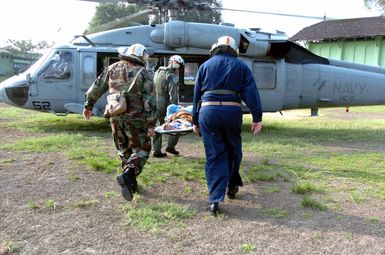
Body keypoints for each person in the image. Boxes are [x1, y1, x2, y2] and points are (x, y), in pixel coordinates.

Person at [192, 36, 263, 216]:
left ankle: (215, 199)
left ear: (216, 48)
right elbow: (252, 93)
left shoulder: (205, 66)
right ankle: (232, 185)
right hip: (232, 112)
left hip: (208, 113)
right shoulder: (241, 67)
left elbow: (196, 96)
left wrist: (194, 120)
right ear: (233, 50)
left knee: (214, 155)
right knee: (233, 151)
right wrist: (257, 117)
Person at [83, 44, 157, 201]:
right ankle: (128, 174)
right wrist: (151, 124)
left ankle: (131, 184)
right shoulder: (144, 73)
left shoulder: (112, 68)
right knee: (142, 149)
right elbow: (149, 100)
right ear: (142, 56)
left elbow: (96, 87)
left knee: (123, 149)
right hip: (136, 118)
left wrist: (88, 105)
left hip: (115, 115)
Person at [152, 55, 185, 157]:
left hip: (154, 103)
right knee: (176, 124)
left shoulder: (157, 73)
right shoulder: (171, 76)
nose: (179, 68)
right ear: (175, 63)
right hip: (165, 105)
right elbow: (173, 95)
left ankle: (156, 151)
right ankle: (170, 146)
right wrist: (176, 107)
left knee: (157, 126)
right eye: (179, 65)